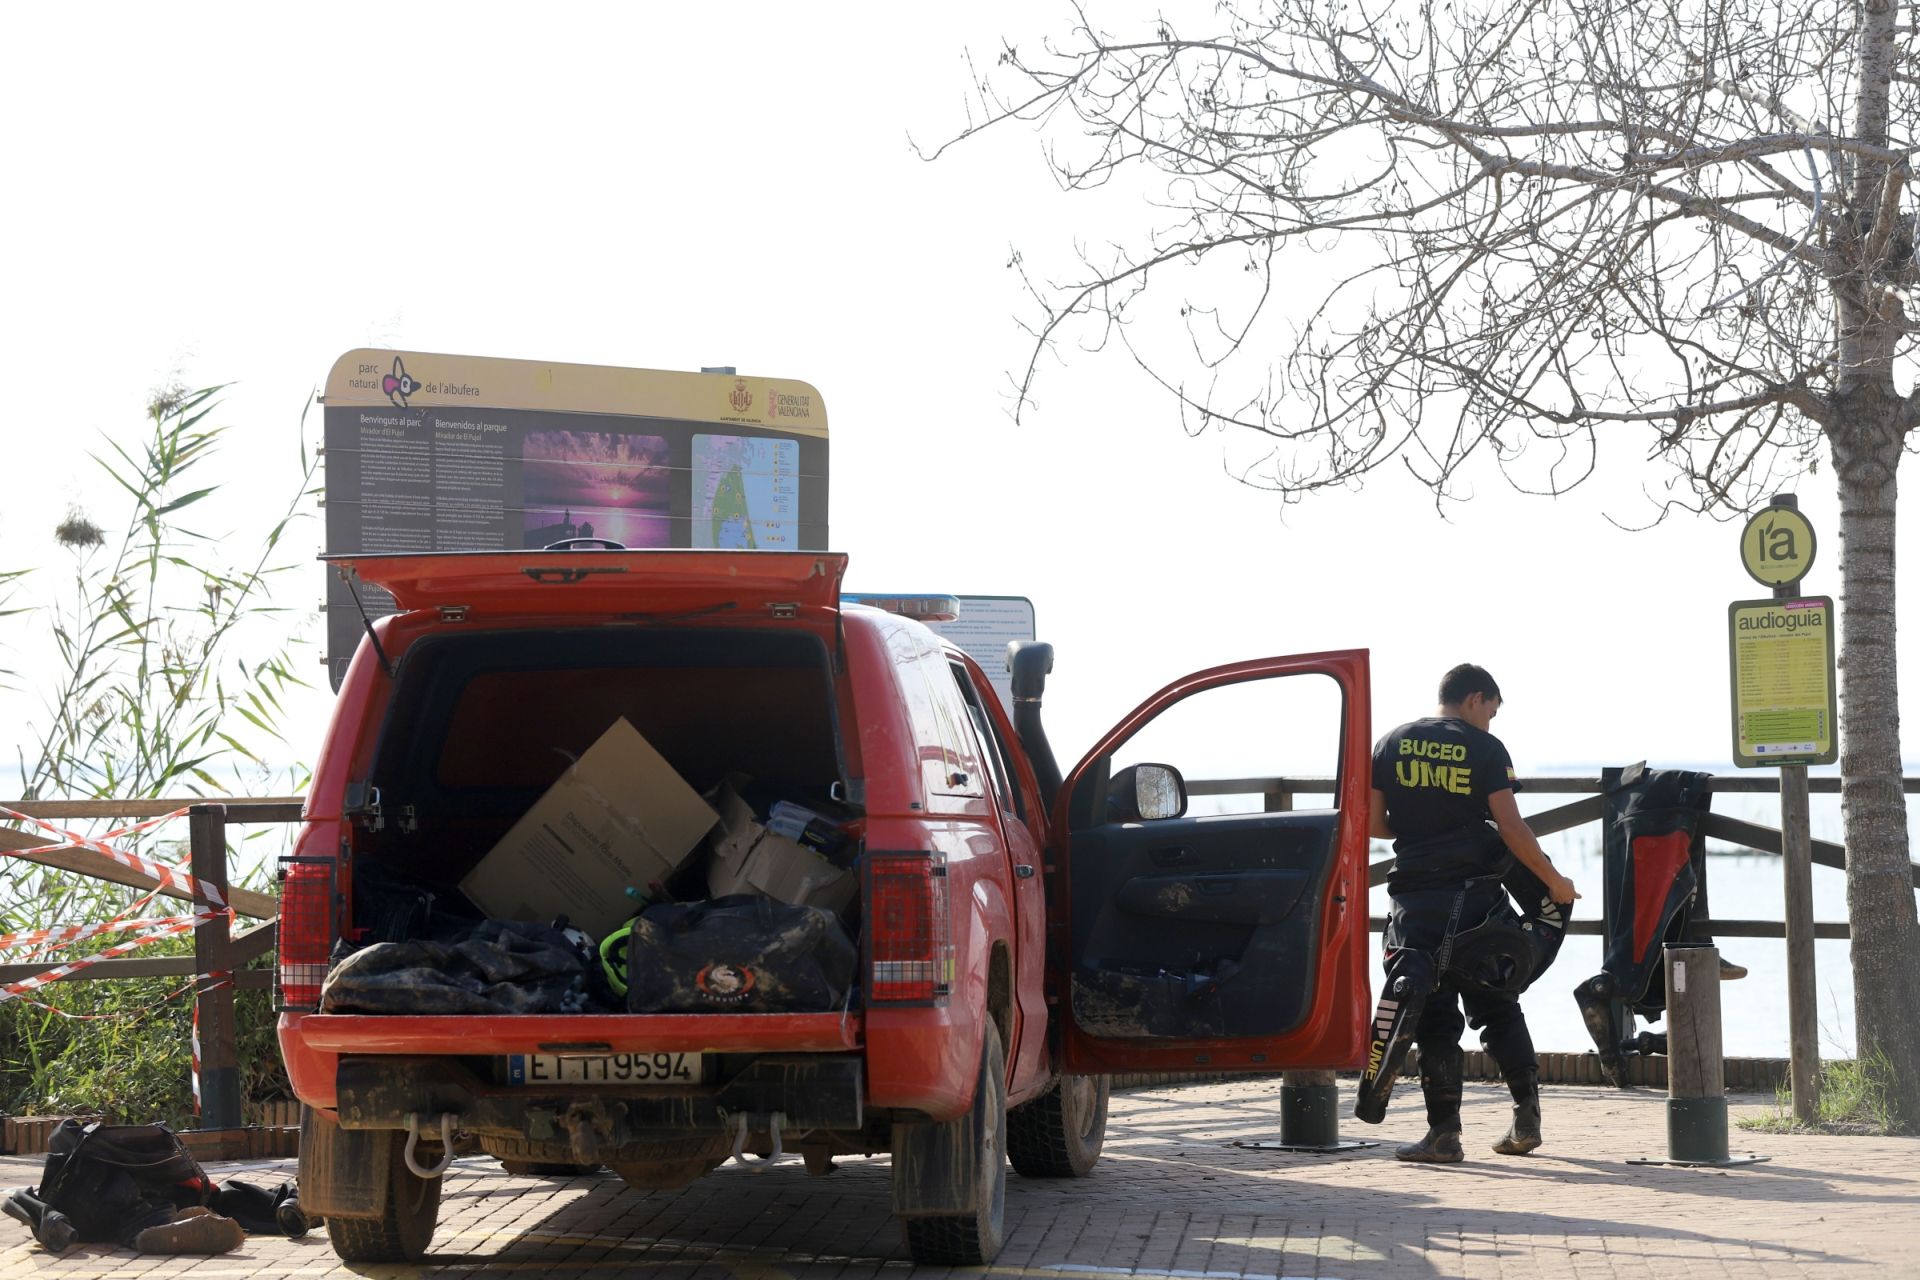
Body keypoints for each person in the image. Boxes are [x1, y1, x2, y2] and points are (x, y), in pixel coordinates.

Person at [1365, 663, 1579, 1163]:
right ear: (1475, 699)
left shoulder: (1390, 743)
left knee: (1433, 1016)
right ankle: (1526, 1118)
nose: (1491, 723)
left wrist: (1424, 825)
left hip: (1415, 904)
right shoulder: (1484, 748)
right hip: (1476, 904)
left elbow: (1375, 825)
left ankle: (1444, 1136)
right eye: (1493, 712)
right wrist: (1555, 883)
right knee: (1497, 1003)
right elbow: (1511, 829)